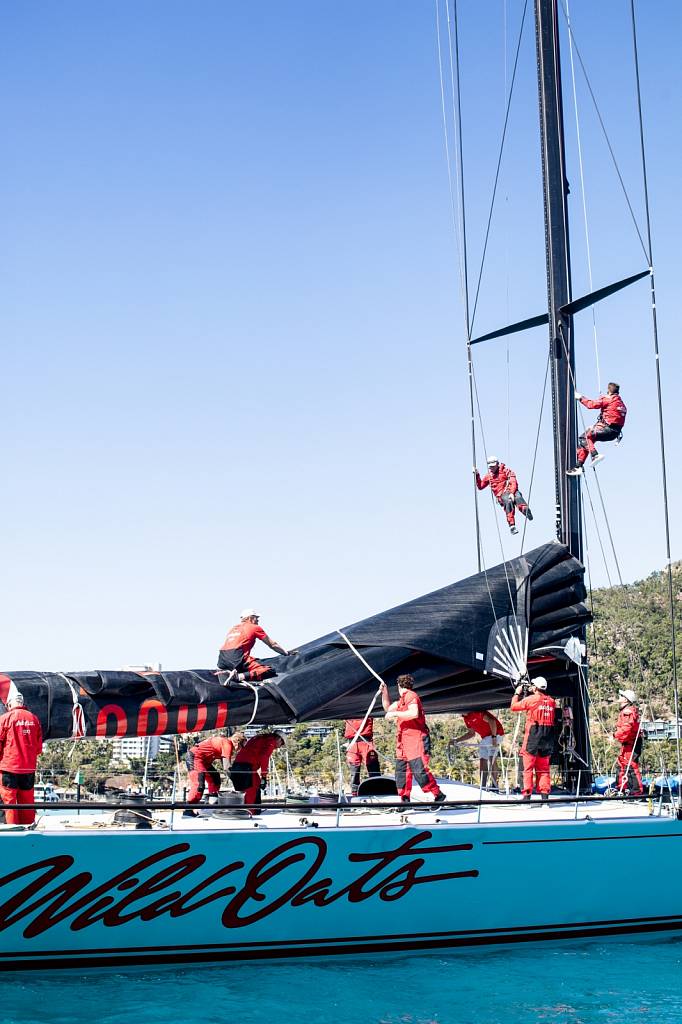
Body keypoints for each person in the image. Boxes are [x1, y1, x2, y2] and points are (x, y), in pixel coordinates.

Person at [381, 674, 446, 805]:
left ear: (399, 686)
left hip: (416, 739)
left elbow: (413, 713)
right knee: (401, 772)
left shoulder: (411, 696)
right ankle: (404, 800)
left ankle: (438, 795)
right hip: (403, 741)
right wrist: (384, 692)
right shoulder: (401, 700)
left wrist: (395, 714)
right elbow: (387, 708)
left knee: (419, 771)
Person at [217, 609, 297, 685]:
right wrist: (286, 653)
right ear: (250, 618)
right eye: (256, 618)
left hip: (222, 660)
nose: (258, 620)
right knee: (269, 671)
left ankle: (231, 673)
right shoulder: (254, 627)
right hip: (236, 657)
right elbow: (272, 644)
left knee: (252, 660)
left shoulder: (233, 628)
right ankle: (238, 677)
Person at [510, 677, 556, 802]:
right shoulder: (552, 701)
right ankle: (545, 799)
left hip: (533, 737)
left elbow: (513, 706)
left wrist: (517, 692)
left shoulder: (532, 699)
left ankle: (526, 798)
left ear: (535, 687)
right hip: (547, 738)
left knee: (528, 769)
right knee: (544, 769)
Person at [0, 692, 43, 825]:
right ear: (22, 703)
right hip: (28, 769)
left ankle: (11, 833)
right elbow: (38, 749)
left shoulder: (5, 718)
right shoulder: (34, 719)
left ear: (10, 704)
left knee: (9, 803)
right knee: (27, 803)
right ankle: (28, 831)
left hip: (9, 768)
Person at [567, 382, 627, 476]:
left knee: (584, 438)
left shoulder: (608, 399)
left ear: (609, 391)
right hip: (614, 434)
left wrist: (580, 397)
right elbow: (613, 418)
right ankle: (578, 467)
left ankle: (595, 455)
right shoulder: (621, 404)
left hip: (607, 430)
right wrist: (595, 427)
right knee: (587, 441)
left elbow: (591, 405)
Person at [184, 730, 246, 815]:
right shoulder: (227, 744)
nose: (240, 750)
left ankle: (211, 802)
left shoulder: (224, 743)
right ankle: (188, 809)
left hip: (204, 760)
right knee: (199, 784)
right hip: (195, 757)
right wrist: (237, 784)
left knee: (215, 778)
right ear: (237, 743)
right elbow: (227, 767)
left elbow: (224, 764)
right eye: (241, 747)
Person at [475, 457, 533, 536]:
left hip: (511, 490)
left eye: (493, 466)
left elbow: (513, 482)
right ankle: (512, 525)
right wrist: (477, 475)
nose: (491, 468)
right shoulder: (489, 476)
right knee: (508, 501)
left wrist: (512, 493)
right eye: (490, 466)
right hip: (502, 494)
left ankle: (525, 510)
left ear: (497, 464)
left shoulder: (506, 471)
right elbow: (480, 486)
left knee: (518, 497)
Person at [229, 731, 285, 813]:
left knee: (244, 791)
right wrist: (264, 776)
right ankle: (251, 812)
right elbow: (264, 757)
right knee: (252, 791)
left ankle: (247, 811)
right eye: (281, 744)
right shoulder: (271, 741)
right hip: (247, 767)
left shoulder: (259, 738)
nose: (279, 747)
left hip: (237, 766)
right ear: (279, 739)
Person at [454, 710, 505, 789]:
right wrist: (456, 740)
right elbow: (471, 733)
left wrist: (494, 738)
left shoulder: (476, 712)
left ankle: (494, 786)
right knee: (482, 760)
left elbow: (492, 721)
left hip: (495, 734)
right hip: (485, 738)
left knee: (492, 758)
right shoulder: (466, 718)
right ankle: (483, 786)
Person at [614, 689, 644, 796]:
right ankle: (622, 788)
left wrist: (615, 735)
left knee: (631, 766)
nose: (619, 696)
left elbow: (626, 729)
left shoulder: (628, 712)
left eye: (621, 695)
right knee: (622, 764)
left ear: (626, 699)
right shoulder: (627, 711)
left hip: (631, 743)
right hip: (628, 744)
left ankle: (636, 792)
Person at [345, 718, 381, 796]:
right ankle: (355, 792)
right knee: (354, 770)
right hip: (353, 742)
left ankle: (378, 789)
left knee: (373, 768)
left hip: (366, 741)